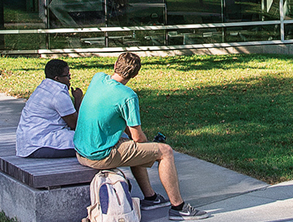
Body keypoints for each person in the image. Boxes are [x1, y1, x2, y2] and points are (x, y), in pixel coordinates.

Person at [75, 52, 210, 220]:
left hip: (81, 151)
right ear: (135, 74)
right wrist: (148, 146)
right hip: (99, 156)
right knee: (165, 151)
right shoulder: (128, 96)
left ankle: (152, 198)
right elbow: (138, 137)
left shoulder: (98, 78)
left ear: (115, 65)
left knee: (132, 147)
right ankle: (179, 207)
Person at [16, 59, 82, 158]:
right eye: (67, 76)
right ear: (57, 78)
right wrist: (78, 99)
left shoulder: (43, 87)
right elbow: (76, 125)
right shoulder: (58, 94)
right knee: (89, 142)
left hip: (26, 143)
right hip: (41, 144)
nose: (70, 79)